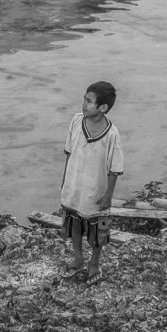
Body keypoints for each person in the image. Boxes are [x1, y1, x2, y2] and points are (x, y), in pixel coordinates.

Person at [60, 80, 124, 286]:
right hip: (74, 186)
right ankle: (78, 257)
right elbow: (69, 152)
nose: (84, 104)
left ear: (103, 107)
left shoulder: (112, 134)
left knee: (98, 231)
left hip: (95, 191)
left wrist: (108, 196)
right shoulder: (76, 121)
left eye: (89, 101)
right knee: (74, 223)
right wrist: (65, 181)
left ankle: (94, 262)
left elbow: (114, 169)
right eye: (84, 99)